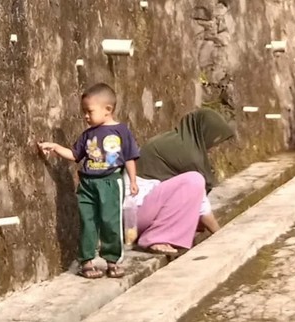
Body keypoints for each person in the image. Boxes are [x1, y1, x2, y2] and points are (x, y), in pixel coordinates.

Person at [38, 83, 140, 279]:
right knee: (88, 222)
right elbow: (75, 155)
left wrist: (132, 180)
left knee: (111, 222)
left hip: (110, 182)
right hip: (87, 184)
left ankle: (112, 261)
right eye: (83, 111)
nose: (85, 116)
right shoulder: (87, 135)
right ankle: (86, 262)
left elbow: (129, 157)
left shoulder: (121, 131)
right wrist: (56, 147)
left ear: (107, 110)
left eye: (89, 111)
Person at [132, 109, 231, 254]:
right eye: (215, 140)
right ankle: (156, 238)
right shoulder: (188, 154)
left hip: (139, 211)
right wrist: (220, 235)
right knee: (195, 180)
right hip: (134, 215)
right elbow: (201, 202)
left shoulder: (177, 141)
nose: (214, 146)